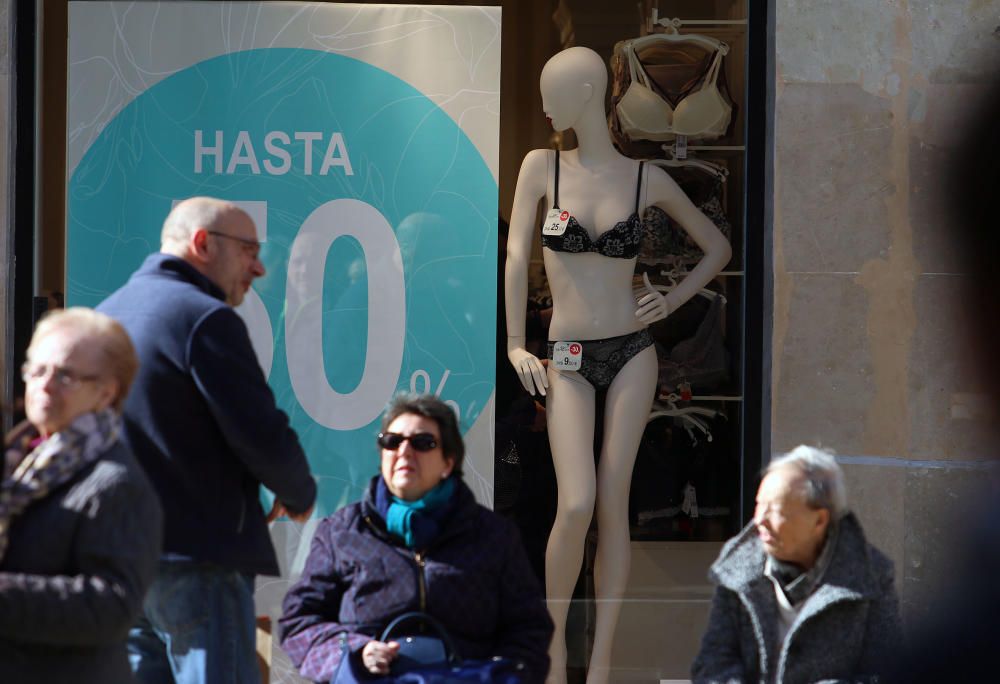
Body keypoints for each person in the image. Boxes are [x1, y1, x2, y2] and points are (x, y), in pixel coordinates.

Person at [504, 46, 731, 683]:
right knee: (574, 504)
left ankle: (600, 663)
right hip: (568, 356)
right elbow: (518, 258)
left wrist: (672, 298)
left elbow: (717, 246)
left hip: (633, 352)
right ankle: (552, 655)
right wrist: (517, 344)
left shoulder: (644, 179)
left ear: (585, 90)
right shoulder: (540, 167)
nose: (544, 103)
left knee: (612, 502)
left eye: (552, 89)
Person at [97, 197, 317, 683]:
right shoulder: (205, 318)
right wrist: (297, 490)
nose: (259, 268)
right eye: (247, 250)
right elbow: (259, 429)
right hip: (196, 560)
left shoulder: (107, 317)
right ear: (202, 244)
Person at [279, 394, 554, 683]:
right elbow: (299, 623)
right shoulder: (341, 532)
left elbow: (529, 628)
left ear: (448, 461)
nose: (404, 451)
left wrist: (499, 675)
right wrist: (354, 653)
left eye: (423, 443)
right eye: (392, 441)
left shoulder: (493, 536)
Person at [0, 307, 162, 682]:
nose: (45, 385)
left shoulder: (116, 483)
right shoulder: (20, 462)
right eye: (36, 371)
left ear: (106, 393)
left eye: (65, 376)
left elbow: (112, 606)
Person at [691, 446, 901, 684]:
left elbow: (885, 673)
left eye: (777, 511)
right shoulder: (736, 567)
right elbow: (713, 663)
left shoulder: (872, 575)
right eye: (760, 504)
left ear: (819, 520)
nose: (760, 520)